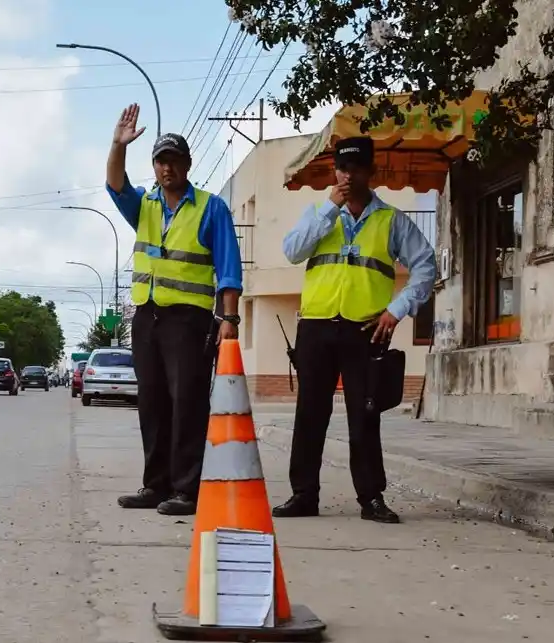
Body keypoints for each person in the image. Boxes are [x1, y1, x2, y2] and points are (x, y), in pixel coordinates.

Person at [272, 136, 437, 523]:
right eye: (343, 169)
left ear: (370, 171)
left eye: (356, 168)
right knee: (310, 413)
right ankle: (303, 494)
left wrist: (395, 311)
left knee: (365, 414)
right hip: (316, 325)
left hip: (366, 331)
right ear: (335, 172)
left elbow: (426, 265)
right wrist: (331, 207)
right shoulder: (318, 213)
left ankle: (371, 498)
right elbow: (293, 250)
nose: (349, 175)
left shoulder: (391, 220)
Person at [105, 103, 243, 516]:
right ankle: (155, 484)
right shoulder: (144, 206)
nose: (168, 169)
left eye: (174, 161)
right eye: (161, 162)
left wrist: (229, 320)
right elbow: (115, 185)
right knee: (151, 402)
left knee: (187, 402)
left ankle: (186, 488)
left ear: (187, 164)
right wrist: (118, 145)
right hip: (147, 317)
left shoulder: (210, 207)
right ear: (155, 167)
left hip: (190, 319)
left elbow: (229, 269)